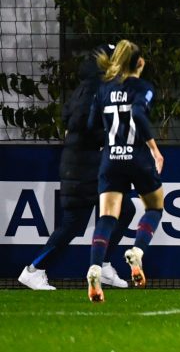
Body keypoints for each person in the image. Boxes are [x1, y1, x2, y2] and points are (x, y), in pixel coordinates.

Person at [18, 46, 133, 291]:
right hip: (83, 168)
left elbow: (70, 120)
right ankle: (33, 270)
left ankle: (101, 264)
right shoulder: (94, 90)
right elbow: (82, 124)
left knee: (123, 211)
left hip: (85, 166)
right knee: (74, 224)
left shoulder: (90, 88)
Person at [85, 40, 166, 303]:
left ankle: (95, 267)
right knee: (154, 207)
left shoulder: (103, 89)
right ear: (140, 62)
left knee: (107, 217)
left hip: (111, 159)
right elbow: (140, 116)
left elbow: (90, 126)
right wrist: (154, 149)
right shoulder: (143, 88)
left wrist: (108, 144)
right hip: (138, 157)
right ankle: (138, 251)